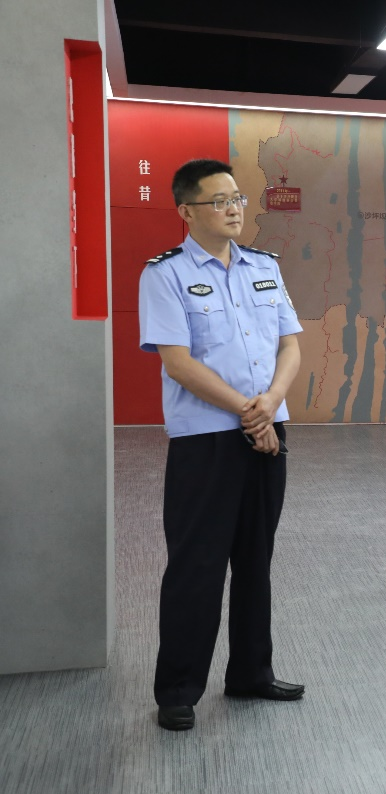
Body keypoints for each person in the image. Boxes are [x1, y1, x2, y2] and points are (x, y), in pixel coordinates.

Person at [138, 159, 304, 732]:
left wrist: (270, 403)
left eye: (237, 198)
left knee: (256, 559)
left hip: (268, 430)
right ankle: (178, 688)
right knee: (198, 563)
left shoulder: (264, 266)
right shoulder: (165, 274)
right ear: (186, 211)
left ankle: (251, 673)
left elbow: (290, 345)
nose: (233, 209)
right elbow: (178, 362)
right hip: (206, 439)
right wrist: (247, 411)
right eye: (219, 201)